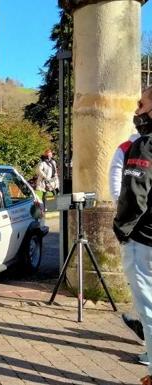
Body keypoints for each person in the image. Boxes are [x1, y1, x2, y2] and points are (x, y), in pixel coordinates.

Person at [113, 86, 152, 385]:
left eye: (141, 104)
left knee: (147, 304)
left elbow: (133, 197)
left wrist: (122, 230)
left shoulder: (143, 146)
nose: (136, 109)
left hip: (144, 239)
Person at [109, 132, 147, 365]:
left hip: (142, 231)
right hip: (142, 226)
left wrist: (125, 224)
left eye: (142, 104)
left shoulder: (137, 145)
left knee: (144, 290)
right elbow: (117, 183)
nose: (136, 110)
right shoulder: (129, 144)